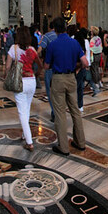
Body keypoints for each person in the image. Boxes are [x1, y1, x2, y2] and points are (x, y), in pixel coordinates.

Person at [44, 18, 87, 155]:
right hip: (71, 78)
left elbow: (46, 66)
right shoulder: (74, 43)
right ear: (66, 28)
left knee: (60, 113)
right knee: (75, 110)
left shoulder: (53, 44)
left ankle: (63, 147)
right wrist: (76, 67)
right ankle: (80, 143)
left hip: (58, 78)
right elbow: (85, 62)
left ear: (55, 29)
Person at [7, 25, 44, 151]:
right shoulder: (32, 50)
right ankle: (24, 133)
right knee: (26, 108)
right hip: (31, 81)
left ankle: (29, 142)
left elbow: (7, 67)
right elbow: (40, 66)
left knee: (22, 112)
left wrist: (7, 75)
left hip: (20, 82)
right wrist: (36, 74)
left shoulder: (14, 49)